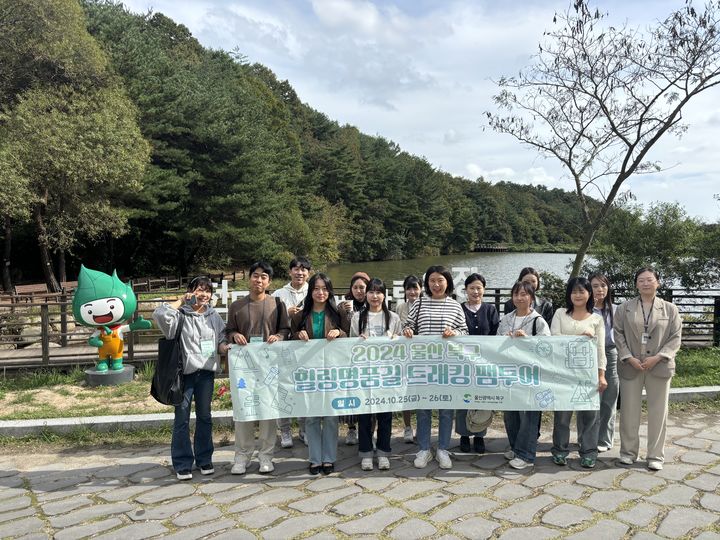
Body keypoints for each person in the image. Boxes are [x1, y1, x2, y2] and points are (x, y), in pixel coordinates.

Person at [153, 276, 228, 481]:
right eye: (198, 289)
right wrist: (180, 300)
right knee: (182, 419)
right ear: (190, 291)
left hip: (206, 374)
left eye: (207, 290)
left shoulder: (214, 316)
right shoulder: (179, 316)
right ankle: (182, 462)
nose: (203, 294)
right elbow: (159, 314)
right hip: (184, 375)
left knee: (205, 417)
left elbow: (221, 339)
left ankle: (204, 459)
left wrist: (224, 348)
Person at [226, 262, 291, 475]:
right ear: (249, 278)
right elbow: (229, 331)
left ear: (269, 281)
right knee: (244, 410)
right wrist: (234, 335)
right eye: (255, 276)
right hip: (244, 369)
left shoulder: (276, 304)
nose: (259, 280)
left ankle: (266, 456)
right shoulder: (237, 306)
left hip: (269, 367)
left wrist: (279, 336)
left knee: (268, 411)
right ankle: (242, 456)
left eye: (264, 277)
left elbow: (285, 330)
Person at [614, 267, 682, 471]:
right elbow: (618, 334)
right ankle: (628, 453)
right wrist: (628, 357)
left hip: (659, 366)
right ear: (636, 284)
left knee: (658, 412)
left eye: (649, 280)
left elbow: (675, 337)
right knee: (629, 412)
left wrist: (659, 357)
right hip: (631, 365)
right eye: (641, 280)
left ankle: (655, 456)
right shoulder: (624, 308)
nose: (645, 283)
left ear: (657, 283)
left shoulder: (670, 309)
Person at [402, 265, 468, 469]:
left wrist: (454, 333)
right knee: (423, 407)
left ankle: (442, 448)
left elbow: (464, 331)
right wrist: (408, 331)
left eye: (440, 280)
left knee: (446, 408)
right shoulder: (419, 303)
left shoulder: (455, 306)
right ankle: (423, 449)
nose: (436, 284)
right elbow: (408, 325)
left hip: (446, 366)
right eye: (432, 281)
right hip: (422, 365)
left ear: (448, 281)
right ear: (427, 283)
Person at [291, 273, 350, 475]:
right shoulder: (300, 316)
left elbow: (348, 338)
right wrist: (298, 335)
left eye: (325, 288)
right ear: (311, 291)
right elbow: (289, 341)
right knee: (312, 418)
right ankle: (315, 459)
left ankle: (329, 458)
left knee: (331, 417)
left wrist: (339, 333)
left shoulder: (338, 314)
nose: (320, 292)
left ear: (330, 291)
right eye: (316, 288)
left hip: (332, 374)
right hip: (309, 375)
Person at [550, 277, 607, 469]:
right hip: (563, 374)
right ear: (569, 294)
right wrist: (579, 338)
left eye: (582, 291)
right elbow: (554, 340)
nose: (578, 295)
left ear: (589, 294)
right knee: (562, 416)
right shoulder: (560, 314)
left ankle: (589, 452)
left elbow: (600, 349)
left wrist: (601, 375)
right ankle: (559, 450)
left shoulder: (596, 319)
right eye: (574, 291)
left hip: (588, 375)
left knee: (590, 416)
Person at [350, 278, 403, 471]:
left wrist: (397, 340)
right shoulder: (358, 317)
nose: (374, 296)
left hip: (386, 374)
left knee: (385, 415)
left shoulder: (394, 318)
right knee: (364, 414)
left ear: (384, 295)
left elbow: (401, 345)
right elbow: (350, 346)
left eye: (378, 292)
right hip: (365, 374)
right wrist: (359, 340)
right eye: (371, 292)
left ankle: (383, 452)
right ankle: (365, 452)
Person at [499, 281, 551, 470]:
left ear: (531, 297)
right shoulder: (506, 319)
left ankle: (527, 454)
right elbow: (495, 343)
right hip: (509, 373)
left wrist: (527, 340)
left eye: (524, 294)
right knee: (511, 413)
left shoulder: (538, 320)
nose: (519, 298)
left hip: (531, 374)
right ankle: (515, 447)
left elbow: (546, 346)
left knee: (529, 414)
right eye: (516, 294)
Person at [456, 273, 499, 454]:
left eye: (479, 288)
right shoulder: (459, 309)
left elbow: (497, 334)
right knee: (463, 398)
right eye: (472, 288)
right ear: (465, 290)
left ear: (484, 290)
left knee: (481, 398)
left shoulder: (490, 310)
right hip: (462, 363)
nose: (475, 291)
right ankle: (464, 435)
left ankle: (480, 434)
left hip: (484, 363)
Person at [272, 256, 312, 449]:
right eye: (296, 269)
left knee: (304, 389)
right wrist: (286, 314)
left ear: (309, 273)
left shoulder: (314, 292)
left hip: (305, 349)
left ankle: (304, 429)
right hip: (284, 348)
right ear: (289, 272)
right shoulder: (279, 293)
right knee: (284, 390)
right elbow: (270, 322)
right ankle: (285, 430)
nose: (300, 272)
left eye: (304, 269)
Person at [338, 271, 370, 445]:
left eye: (362, 287)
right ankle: (351, 428)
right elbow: (341, 330)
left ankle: (369, 428)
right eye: (356, 287)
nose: (359, 291)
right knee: (351, 390)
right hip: (349, 355)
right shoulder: (344, 305)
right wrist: (343, 313)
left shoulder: (374, 303)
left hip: (369, 357)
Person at [589, 273, 618, 452]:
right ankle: (587, 436)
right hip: (588, 354)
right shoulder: (584, 309)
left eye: (603, 285)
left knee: (609, 397)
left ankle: (605, 439)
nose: (599, 289)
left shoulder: (617, 309)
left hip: (611, 353)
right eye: (595, 286)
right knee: (589, 398)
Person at [394, 274, 422, 443]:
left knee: (420, 392)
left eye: (415, 288)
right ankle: (407, 427)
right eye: (409, 288)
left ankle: (421, 426)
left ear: (421, 289)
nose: (412, 292)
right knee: (405, 393)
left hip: (421, 355)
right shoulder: (400, 308)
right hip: (404, 356)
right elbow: (396, 329)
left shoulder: (425, 306)